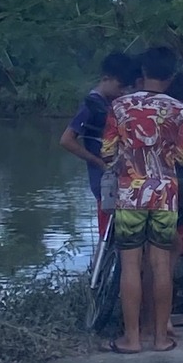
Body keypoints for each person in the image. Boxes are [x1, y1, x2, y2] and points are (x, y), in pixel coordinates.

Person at [99, 46, 183, 355]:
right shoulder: (179, 110)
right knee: (161, 263)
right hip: (165, 193)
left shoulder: (120, 106)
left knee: (130, 264)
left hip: (130, 193)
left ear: (142, 73)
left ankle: (132, 338)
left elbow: (107, 151)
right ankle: (161, 338)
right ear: (170, 77)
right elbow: (182, 156)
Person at [59, 53, 139, 238]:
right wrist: (98, 162)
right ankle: (100, 266)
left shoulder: (112, 103)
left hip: (121, 180)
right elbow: (66, 140)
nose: (122, 92)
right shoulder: (91, 105)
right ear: (106, 79)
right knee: (107, 235)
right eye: (120, 87)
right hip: (105, 182)